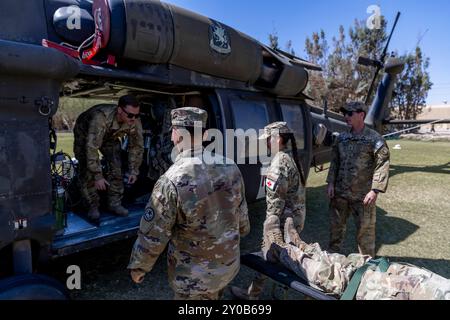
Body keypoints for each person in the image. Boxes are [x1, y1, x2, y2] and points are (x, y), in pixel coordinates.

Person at [128, 107, 250, 300]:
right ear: (206, 134)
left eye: (172, 132)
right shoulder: (230, 167)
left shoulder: (171, 180)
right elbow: (241, 218)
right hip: (227, 267)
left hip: (193, 279)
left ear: (177, 134)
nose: (170, 138)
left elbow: (153, 236)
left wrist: (139, 266)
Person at [267, 218, 450, 300]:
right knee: (346, 261)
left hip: (378, 289)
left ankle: (280, 251)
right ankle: (303, 247)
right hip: (393, 273)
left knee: (336, 277)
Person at [230, 122, 306, 300]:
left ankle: (252, 296)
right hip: (295, 220)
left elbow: (274, 206)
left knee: (270, 256)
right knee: (279, 258)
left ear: (278, 139)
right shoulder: (290, 157)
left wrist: (270, 232)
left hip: (282, 223)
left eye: (268, 140)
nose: (266, 143)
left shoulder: (279, 163)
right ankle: (252, 293)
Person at [326, 101, 390, 257]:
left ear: (361, 115)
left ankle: (367, 264)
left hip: (363, 197)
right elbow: (335, 162)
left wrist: (375, 190)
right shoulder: (342, 138)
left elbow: (383, 163)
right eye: (345, 114)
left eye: (350, 113)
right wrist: (331, 183)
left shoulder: (374, 139)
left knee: (365, 232)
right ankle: (333, 258)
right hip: (340, 194)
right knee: (336, 229)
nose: (346, 116)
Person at [73, 95, 144, 223]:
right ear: (120, 111)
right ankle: (92, 205)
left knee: (116, 166)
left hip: (110, 137)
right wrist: (97, 175)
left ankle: (114, 203)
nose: (133, 119)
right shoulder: (100, 118)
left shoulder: (134, 120)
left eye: (136, 115)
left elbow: (137, 146)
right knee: (86, 171)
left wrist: (134, 170)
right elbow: (92, 147)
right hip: (85, 136)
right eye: (130, 115)